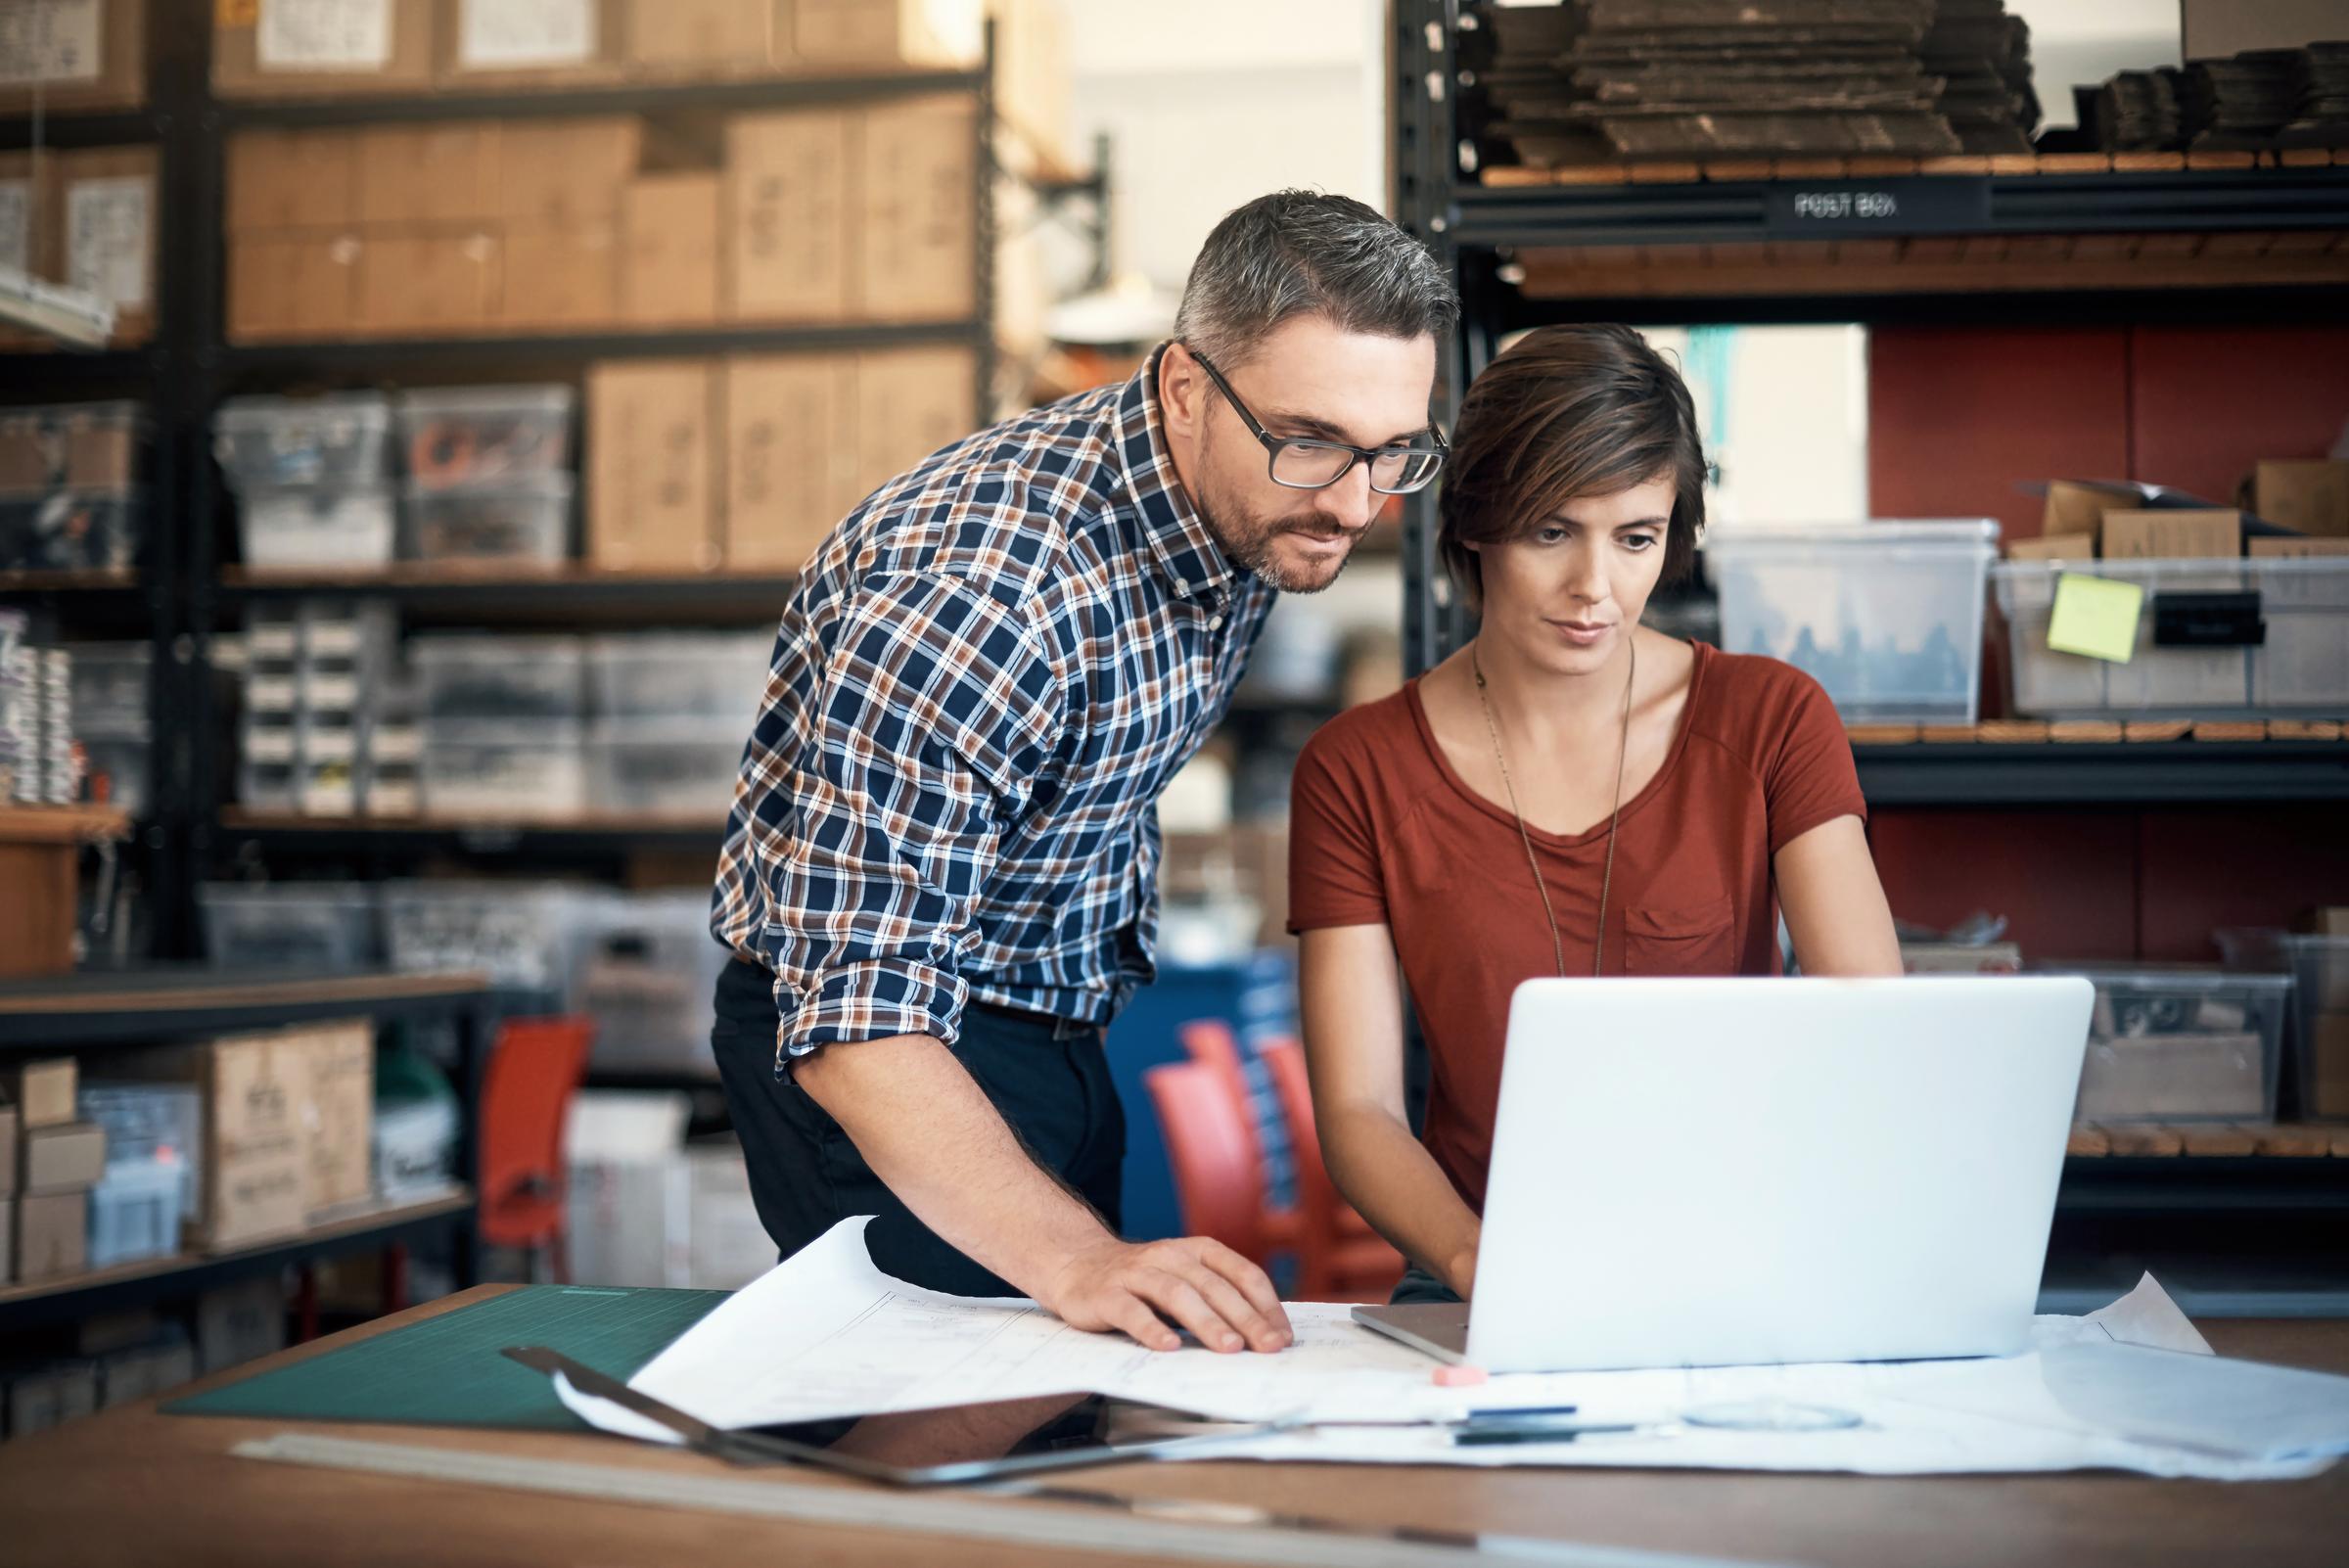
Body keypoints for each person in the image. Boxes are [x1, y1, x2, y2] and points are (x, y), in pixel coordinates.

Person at [709, 190, 1459, 1353]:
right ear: (1183, 389)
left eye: (1392, 452)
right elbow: (857, 1007)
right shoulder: (984, 596)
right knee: (941, 1444)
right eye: (1312, 442)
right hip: (890, 1054)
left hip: (1056, 1018)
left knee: (1073, 1403)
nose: (1356, 503)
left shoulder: (1251, 497)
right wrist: (1075, 1256)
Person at [1286, 324, 1905, 1308]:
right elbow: (1361, 1111)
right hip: (1479, 1270)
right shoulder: (1357, 771)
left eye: (1636, 539)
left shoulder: (1772, 720)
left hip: (1742, 1260)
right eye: (1550, 532)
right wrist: (1474, 1260)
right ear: (1477, 524)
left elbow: (1874, 1034)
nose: (1594, 589)